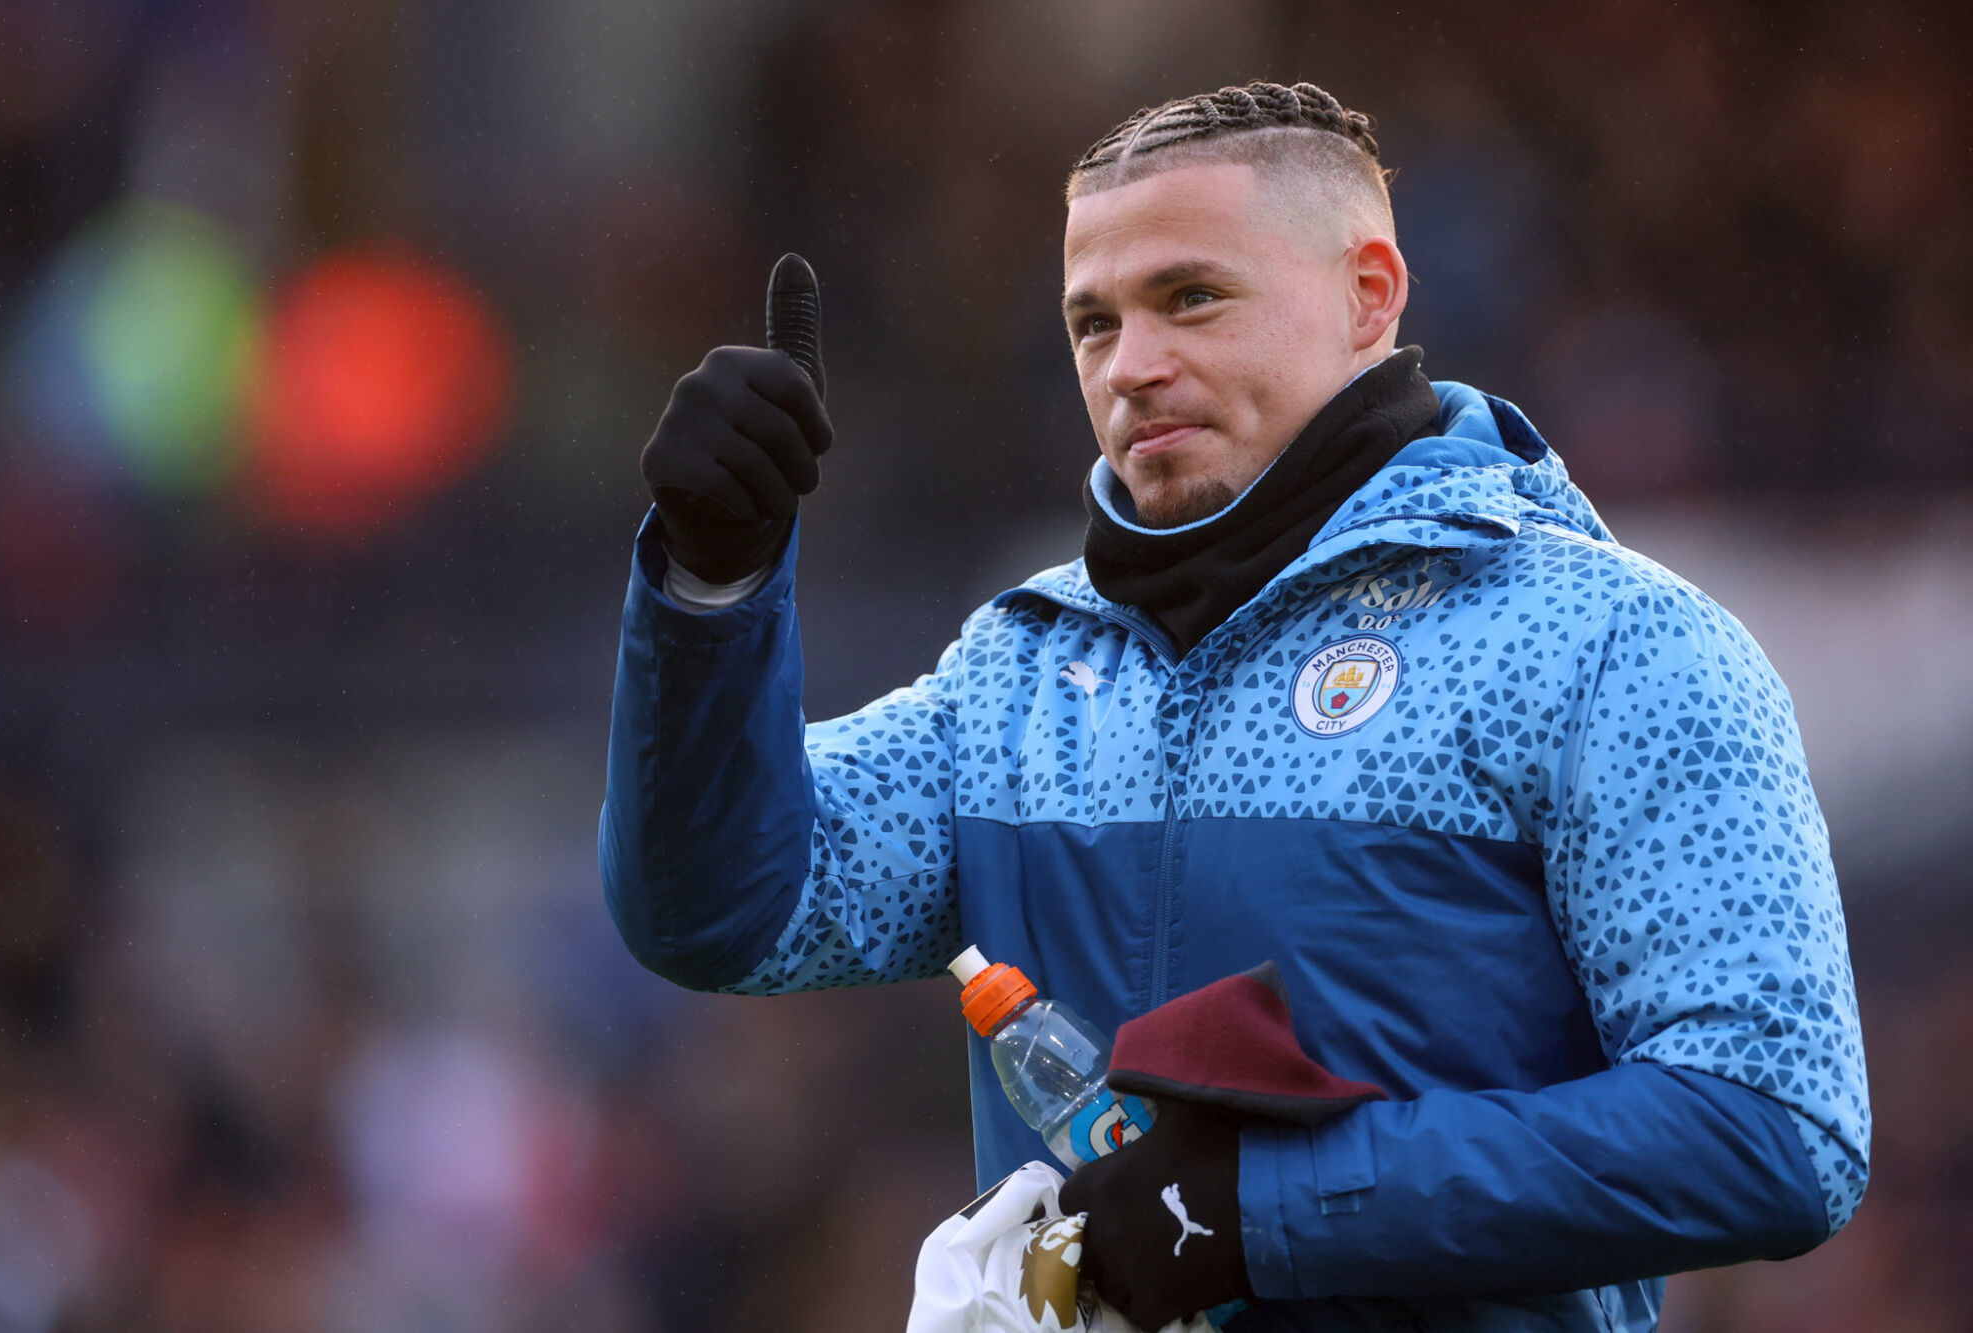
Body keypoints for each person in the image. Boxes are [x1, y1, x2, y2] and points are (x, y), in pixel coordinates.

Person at [599, 81, 1869, 1332]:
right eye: (1091, 322)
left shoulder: (1606, 642)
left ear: (1367, 295)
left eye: (1191, 298)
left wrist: (1259, 1214)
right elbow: (725, 914)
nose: (1131, 367)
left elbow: (1771, 1126)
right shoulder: (1020, 674)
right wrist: (713, 587)